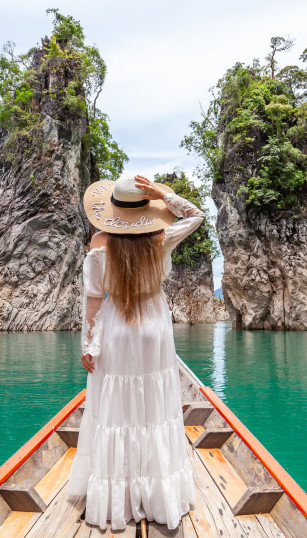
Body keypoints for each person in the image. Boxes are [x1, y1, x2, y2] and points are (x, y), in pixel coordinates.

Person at [67, 172, 203, 531]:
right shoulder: (162, 238)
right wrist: (162, 195)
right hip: (154, 329)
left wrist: (88, 345)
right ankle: (157, 494)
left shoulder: (99, 246)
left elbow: (93, 301)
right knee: (153, 406)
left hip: (115, 328)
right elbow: (196, 216)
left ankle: (119, 496)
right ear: (145, 210)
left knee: (116, 408)